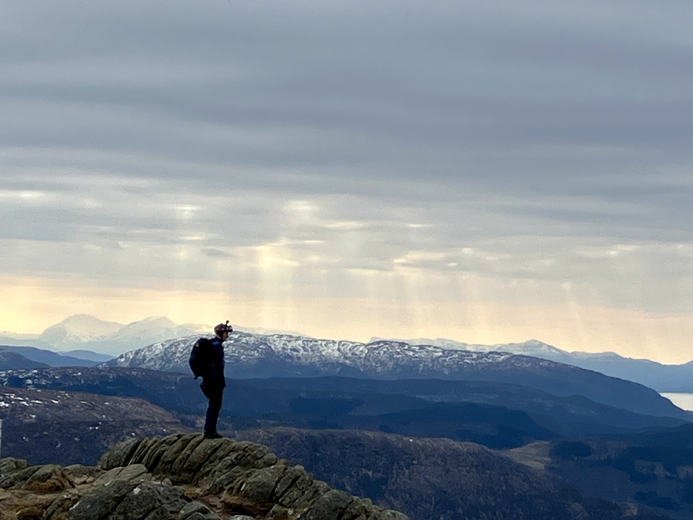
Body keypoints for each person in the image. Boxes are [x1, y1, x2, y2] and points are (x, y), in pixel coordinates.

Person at [201, 321, 232, 439]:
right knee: (215, 405)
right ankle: (211, 431)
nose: (227, 336)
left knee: (212, 405)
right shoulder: (217, 346)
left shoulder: (211, 344)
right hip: (215, 381)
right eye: (226, 333)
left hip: (208, 380)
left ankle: (208, 430)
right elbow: (219, 364)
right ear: (221, 333)